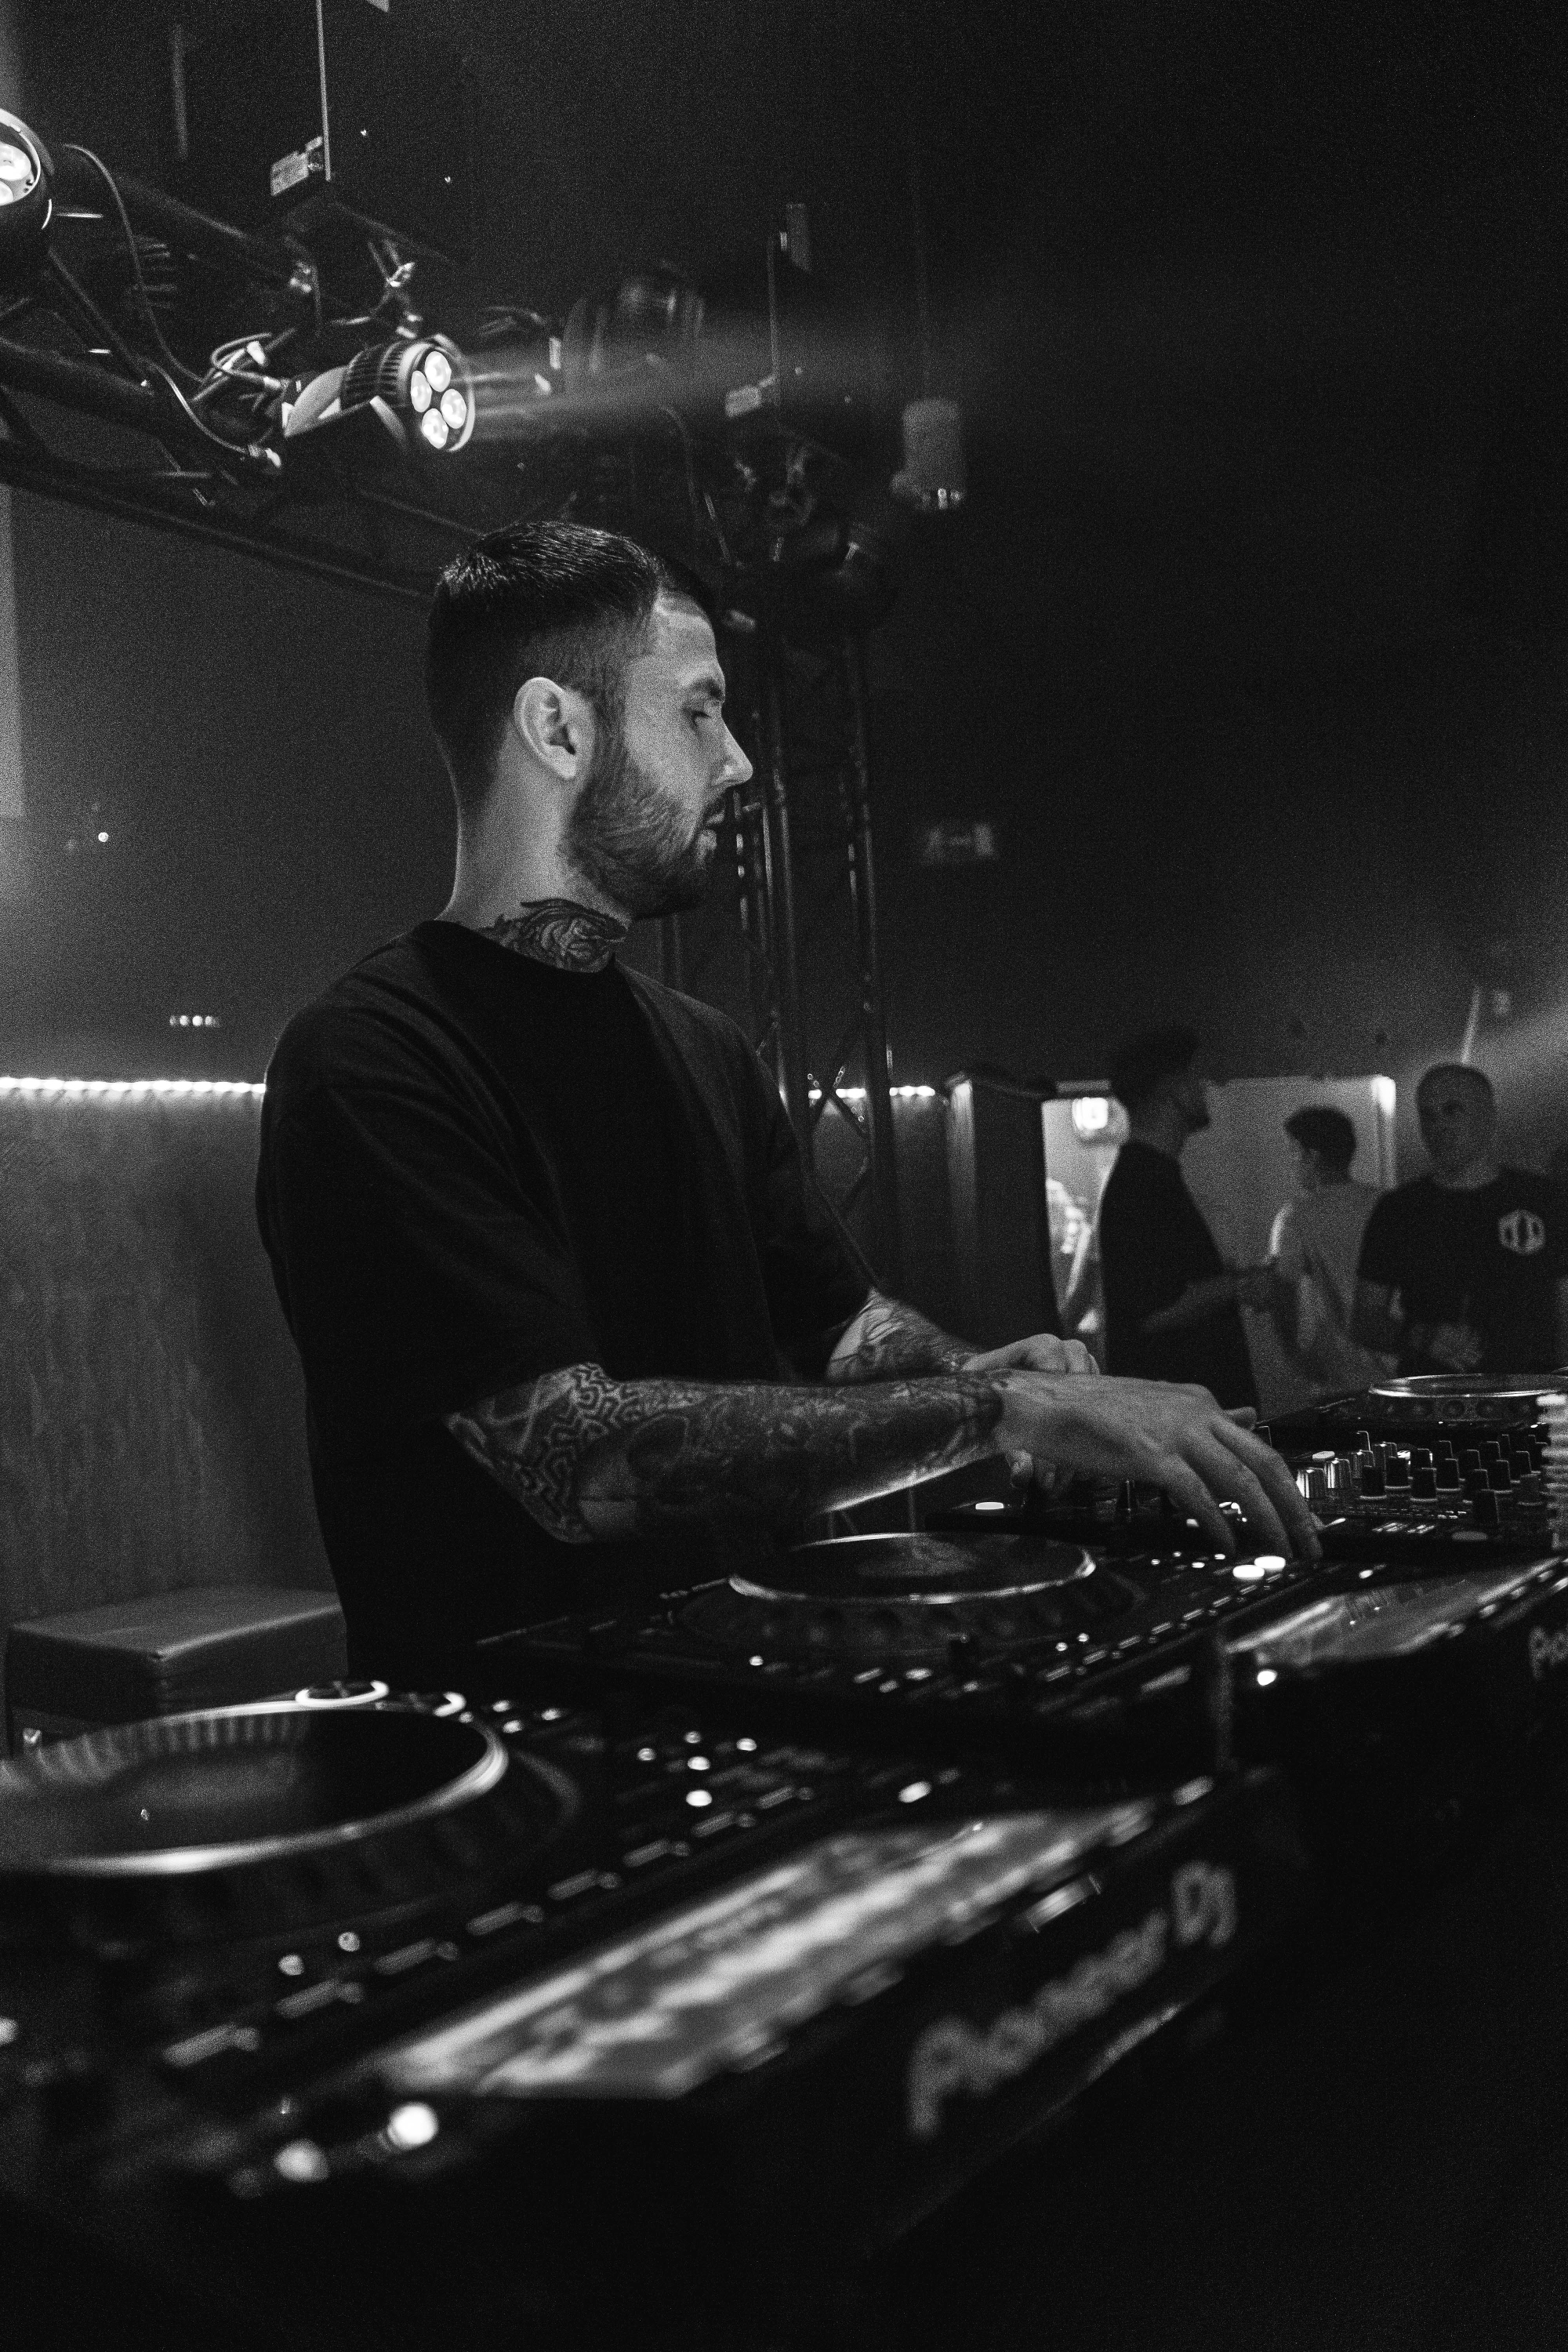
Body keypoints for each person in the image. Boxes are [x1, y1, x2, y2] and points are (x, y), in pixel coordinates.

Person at [256, 524, 1313, 1683]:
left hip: (745, 1692)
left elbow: (843, 1330)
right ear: (557, 729)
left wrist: (991, 1378)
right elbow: (571, 1459)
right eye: (699, 712)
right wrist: (999, 1413)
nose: (740, 762)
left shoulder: (703, 1047)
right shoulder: (372, 1059)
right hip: (521, 1744)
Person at [1353, 1063, 1568, 1375]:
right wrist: (1422, 1337)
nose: (1438, 1126)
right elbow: (1364, 1320)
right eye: (1428, 1115)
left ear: (1488, 1116)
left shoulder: (1543, 1199)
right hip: (1433, 1391)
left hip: (1529, 1390)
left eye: (1452, 1111)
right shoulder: (1400, 1209)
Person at [1096, 1025, 1269, 1410]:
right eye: (1194, 1076)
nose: (1205, 1087)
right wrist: (1238, 1285)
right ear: (1170, 1088)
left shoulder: (1150, 1175)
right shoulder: (1143, 1182)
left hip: (1185, 1414)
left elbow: (1167, 1288)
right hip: (1179, 1418)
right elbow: (1148, 1313)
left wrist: (1227, 1282)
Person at [1266, 1105, 1393, 1396]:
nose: (1292, 1162)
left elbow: (1282, 1294)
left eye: (1293, 1151)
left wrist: (1294, 1356)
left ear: (1311, 1156)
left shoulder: (1297, 1216)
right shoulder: (1387, 1204)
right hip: (1397, 1362)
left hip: (1340, 1371)